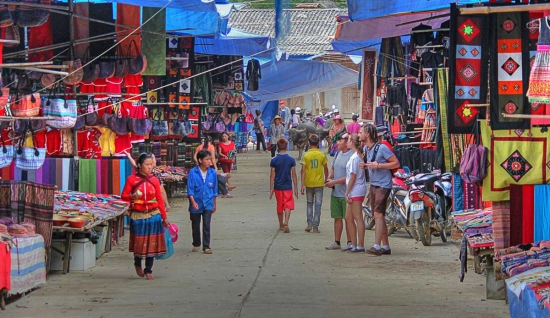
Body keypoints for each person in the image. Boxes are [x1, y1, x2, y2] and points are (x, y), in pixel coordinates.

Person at [121, 153, 170, 280]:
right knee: (139, 243)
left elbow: (159, 199)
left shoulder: (154, 180)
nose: (149, 167)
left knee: (151, 243)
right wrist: (132, 197)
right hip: (138, 216)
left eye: (151, 164)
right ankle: (137, 263)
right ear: (139, 165)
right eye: (146, 164)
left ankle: (149, 269)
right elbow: (124, 196)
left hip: (153, 215)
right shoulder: (131, 179)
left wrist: (164, 217)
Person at [359, 124, 400, 256]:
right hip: (374, 184)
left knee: (378, 214)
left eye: (361, 132)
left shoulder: (382, 147)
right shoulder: (366, 148)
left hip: (383, 184)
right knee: (378, 215)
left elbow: (396, 163)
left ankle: (377, 245)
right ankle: (386, 246)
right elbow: (371, 164)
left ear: (368, 134)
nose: (359, 134)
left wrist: (379, 165)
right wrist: (364, 165)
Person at [325, 133, 354, 250]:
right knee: (337, 218)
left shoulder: (352, 156)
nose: (337, 143)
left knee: (348, 219)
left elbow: (350, 176)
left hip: (346, 193)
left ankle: (350, 241)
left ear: (347, 143)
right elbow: (333, 168)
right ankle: (337, 242)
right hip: (336, 192)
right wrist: (329, 178)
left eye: (340, 141)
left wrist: (334, 182)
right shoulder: (337, 154)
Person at [187, 149, 218, 254]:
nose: (209, 161)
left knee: (206, 225)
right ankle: (196, 243)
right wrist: (192, 201)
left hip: (208, 202)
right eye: (207, 159)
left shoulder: (212, 172)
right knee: (195, 225)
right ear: (200, 160)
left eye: (210, 159)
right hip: (196, 202)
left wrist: (214, 204)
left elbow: (214, 189)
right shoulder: (193, 172)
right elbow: (190, 189)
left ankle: (206, 246)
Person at [342, 134, 367, 253]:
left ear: (352, 142)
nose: (346, 142)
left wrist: (346, 193)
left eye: (348, 140)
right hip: (355, 189)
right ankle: (353, 243)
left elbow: (352, 177)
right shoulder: (356, 157)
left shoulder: (355, 158)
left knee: (357, 217)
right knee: (349, 217)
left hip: (355, 189)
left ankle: (360, 245)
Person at [300, 134, 328, 233]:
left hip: (309, 183)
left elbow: (303, 171)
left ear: (308, 143)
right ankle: (315, 227)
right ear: (319, 143)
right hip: (319, 183)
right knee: (318, 204)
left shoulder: (305, 155)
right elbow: (325, 169)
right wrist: (326, 179)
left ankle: (309, 224)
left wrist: (302, 185)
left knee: (309, 203)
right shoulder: (322, 155)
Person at [270, 138, 298, 233]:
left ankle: (281, 225)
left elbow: (272, 175)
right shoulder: (291, 159)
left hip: (278, 186)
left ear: (277, 147)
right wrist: (296, 187)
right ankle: (286, 221)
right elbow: (294, 174)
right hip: (287, 185)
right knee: (288, 204)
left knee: (279, 205)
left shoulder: (274, 159)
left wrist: (271, 189)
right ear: (286, 146)